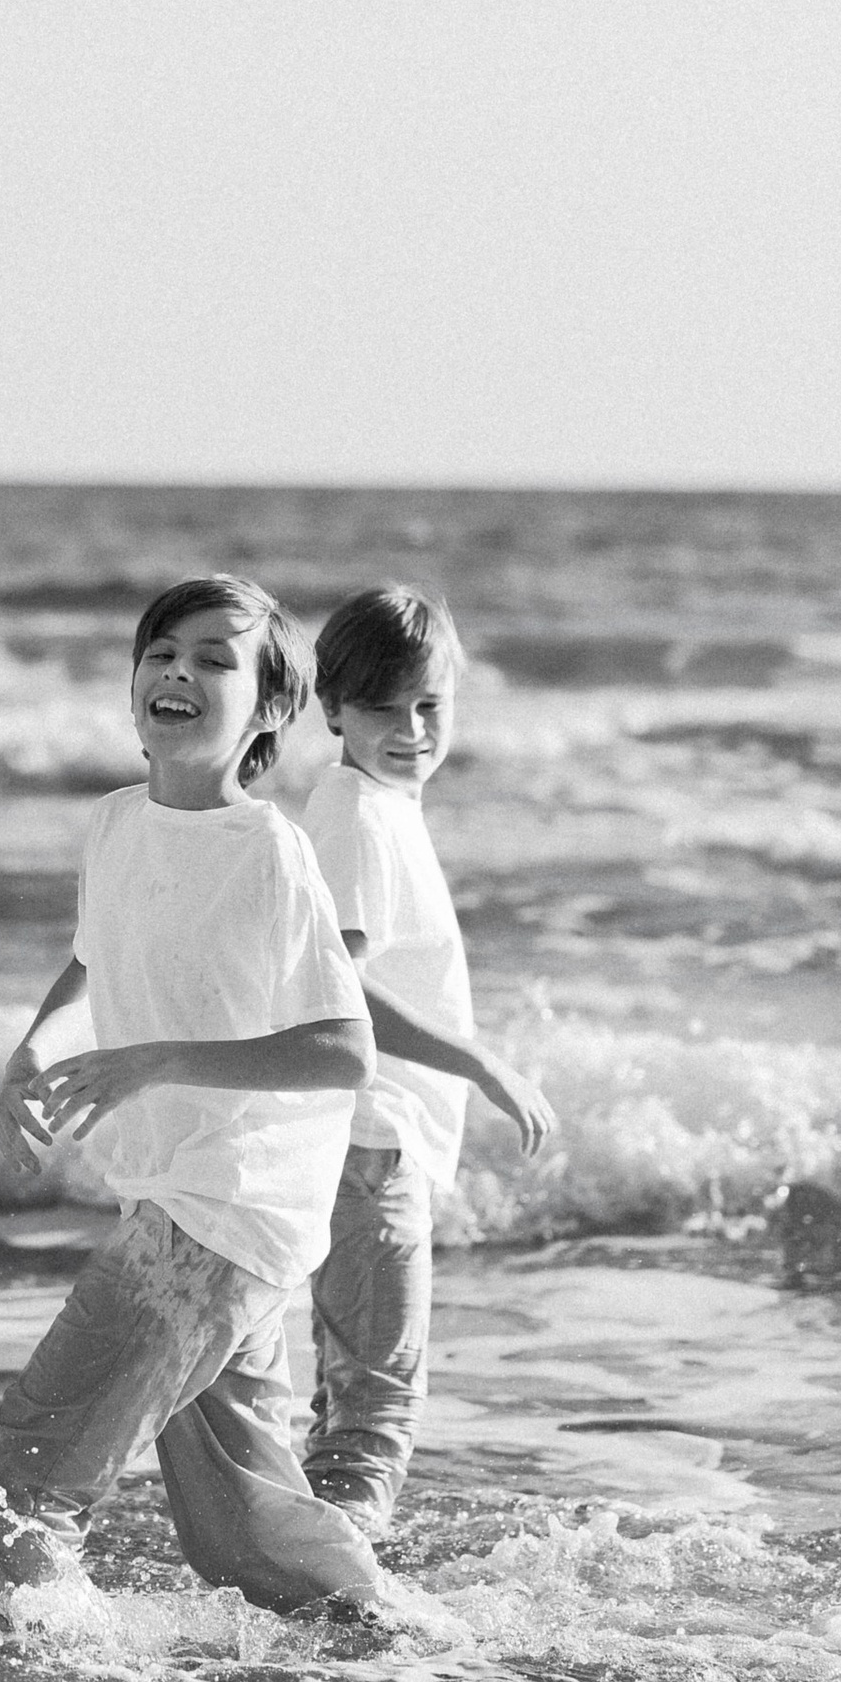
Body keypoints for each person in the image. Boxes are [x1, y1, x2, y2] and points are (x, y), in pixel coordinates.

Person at [0, 574, 402, 1622]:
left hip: (221, 1214)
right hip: (183, 1203)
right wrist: (32, 1050)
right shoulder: (118, 824)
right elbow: (92, 963)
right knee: (245, 1539)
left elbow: (344, 1048)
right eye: (160, 650)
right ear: (132, 687)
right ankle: (411, 1647)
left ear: (265, 714)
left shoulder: (267, 853)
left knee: (19, 1484)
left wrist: (155, 1060)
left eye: (215, 659)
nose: (177, 669)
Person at [299, 585, 556, 1533]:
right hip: (372, 1144)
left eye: (430, 705)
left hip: (372, 1142)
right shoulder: (357, 817)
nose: (411, 728)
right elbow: (342, 990)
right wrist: (481, 1063)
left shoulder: (381, 806)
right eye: (382, 706)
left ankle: (305, 1579)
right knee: (375, 1408)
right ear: (331, 709)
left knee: (346, 1399)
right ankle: (341, 1599)